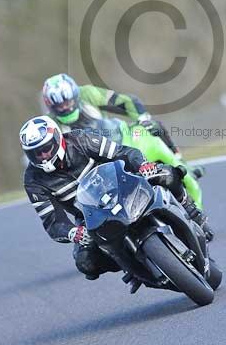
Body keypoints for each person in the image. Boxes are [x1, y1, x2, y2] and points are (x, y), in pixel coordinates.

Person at [19, 115, 200, 281]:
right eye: (36, 153)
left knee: (166, 173)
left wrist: (142, 165)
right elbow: (52, 222)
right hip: (89, 216)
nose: (43, 156)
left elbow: (123, 152)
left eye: (46, 149)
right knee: (86, 263)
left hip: (123, 186)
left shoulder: (81, 140)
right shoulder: (33, 181)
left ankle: (188, 207)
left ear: (58, 139)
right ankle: (129, 265)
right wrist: (73, 232)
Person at [40, 73, 206, 214]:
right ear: (51, 106)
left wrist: (143, 119)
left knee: (155, 128)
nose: (65, 108)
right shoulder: (51, 125)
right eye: (59, 106)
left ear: (75, 96)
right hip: (97, 163)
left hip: (118, 141)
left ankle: (184, 165)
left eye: (67, 102)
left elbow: (125, 101)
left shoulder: (88, 94)